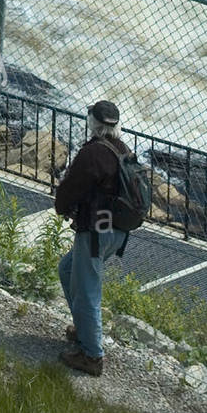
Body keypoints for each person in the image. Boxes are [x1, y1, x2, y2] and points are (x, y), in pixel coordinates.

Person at [54, 99, 131, 377]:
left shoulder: (93, 153)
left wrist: (61, 207)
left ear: (92, 122)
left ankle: (92, 356)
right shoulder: (123, 149)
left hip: (96, 229)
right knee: (68, 269)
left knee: (87, 290)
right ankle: (84, 330)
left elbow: (70, 188)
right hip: (119, 231)